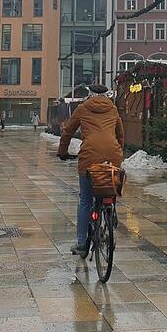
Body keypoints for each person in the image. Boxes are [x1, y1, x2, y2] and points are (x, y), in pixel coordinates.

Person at [57, 84, 125, 255]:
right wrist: (118, 154)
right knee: (110, 187)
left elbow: (67, 132)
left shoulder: (82, 109)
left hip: (89, 157)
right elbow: (120, 135)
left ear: (90, 95)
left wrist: (62, 152)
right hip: (112, 156)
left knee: (86, 200)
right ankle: (111, 213)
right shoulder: (113, 109)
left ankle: (81, 243)